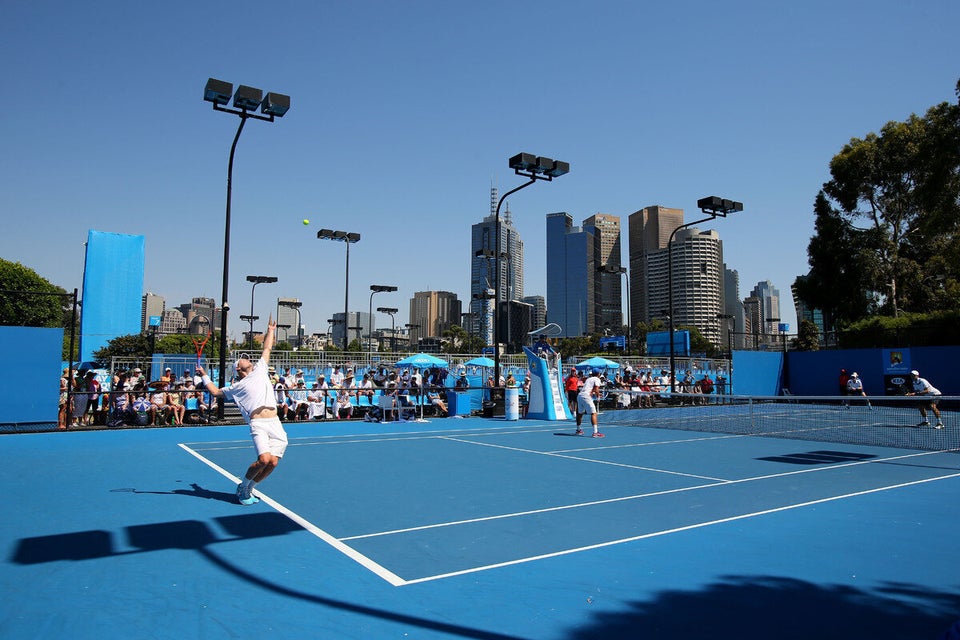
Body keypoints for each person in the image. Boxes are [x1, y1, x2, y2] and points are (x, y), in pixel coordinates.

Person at [198, 316, 287, 506]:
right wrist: (205, 376)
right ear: (238, 368)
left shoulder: (261, 369)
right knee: (263, 460)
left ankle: (250, 487)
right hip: (259, 424)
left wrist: (271, 330)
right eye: (243, 359)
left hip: (275, 422)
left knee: (273, 463)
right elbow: (215, 391)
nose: (247, 359)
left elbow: (267, 348)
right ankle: (243, 485)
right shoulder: (237, 386)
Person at [575, 369, 604, 438]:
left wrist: (597, 393)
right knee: (593, 413)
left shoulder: (589, 379)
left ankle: (578, 430)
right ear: (598, 374)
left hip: (580, 396)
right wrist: (598, 396)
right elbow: (596, 389)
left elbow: (591, 389)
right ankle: (595, 432)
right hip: (586, 396)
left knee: (580, 413)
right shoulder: (597, 379)